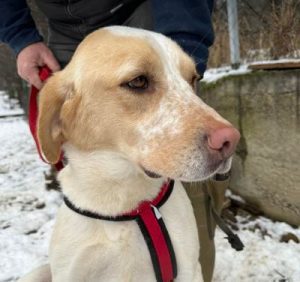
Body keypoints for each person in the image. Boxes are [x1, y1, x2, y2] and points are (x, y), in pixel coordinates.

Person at [0, 1, 230, 281]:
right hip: (62, 26)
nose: (224, 131)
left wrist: (179, 45)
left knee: (190, 252)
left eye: (188, 80)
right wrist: (22, 39)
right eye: (139, 82)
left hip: (148, 7)